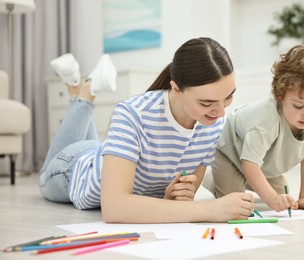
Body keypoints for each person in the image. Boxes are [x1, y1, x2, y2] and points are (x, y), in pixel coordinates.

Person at [39, 37, 254, 224]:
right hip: (74, 170)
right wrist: (211, 209)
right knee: (43, 176)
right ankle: (84, 93)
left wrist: (174, 197)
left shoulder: (212, 122)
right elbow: (115, 208)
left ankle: (78, 87)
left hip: (107, 157)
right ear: (176, 89)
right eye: (207, 103)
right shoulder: (133, 113)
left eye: (228, 97)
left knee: (104, 152)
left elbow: (180, 203)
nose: (220, 112)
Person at [203, 44, 304, 213]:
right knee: (235, 202)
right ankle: (213, 179)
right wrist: (270, 198)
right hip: (230, 154)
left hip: (262, 163)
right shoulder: (264, 121)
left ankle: (246, 180)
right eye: (298, 105)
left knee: (282, 196)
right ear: (281, 95)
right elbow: (249, 164)